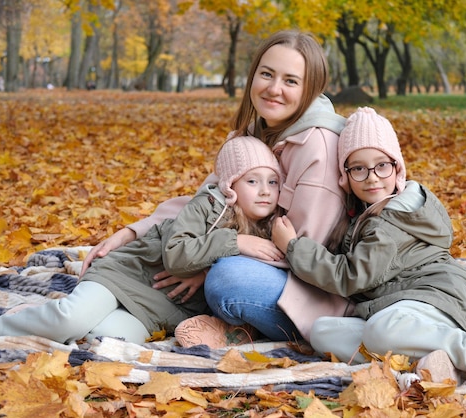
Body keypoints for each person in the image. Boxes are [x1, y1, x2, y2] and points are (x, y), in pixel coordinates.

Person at [80, 30, 351, 343]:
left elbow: (302, 251)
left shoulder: (318, 147)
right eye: (266, 74)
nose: (274, 89)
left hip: (305, 295)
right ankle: (121, 315)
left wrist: (208, 262)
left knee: (224, 279)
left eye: (291, 81)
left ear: (310, 88)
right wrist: (131, 232)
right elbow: (209, 203)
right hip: (256, 263)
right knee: (162, 247)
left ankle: (232, 326)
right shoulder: (253, 135)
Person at [271, 107, 466, 401]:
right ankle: (434, 365)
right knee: (322, 331)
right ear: (345, 176)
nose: (372, 177)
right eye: (358, 168)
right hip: (405, 308)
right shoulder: (367, 214)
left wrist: (293, 246)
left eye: (381, 165)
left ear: (397, 168)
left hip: (438, 299)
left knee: (379, 332)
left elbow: (351, 276)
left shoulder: (389, 220)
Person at [0, 136, 284, 345]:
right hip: (127, 274)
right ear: (230, 185)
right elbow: (176, 256)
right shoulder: (207, 207)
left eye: (272, 181)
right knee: (71, 320)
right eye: (252, 181)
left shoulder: (270, 230)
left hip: (156, 307)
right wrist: (237, 243)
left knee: (104, 342)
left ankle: (40, 322)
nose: (265, 190)